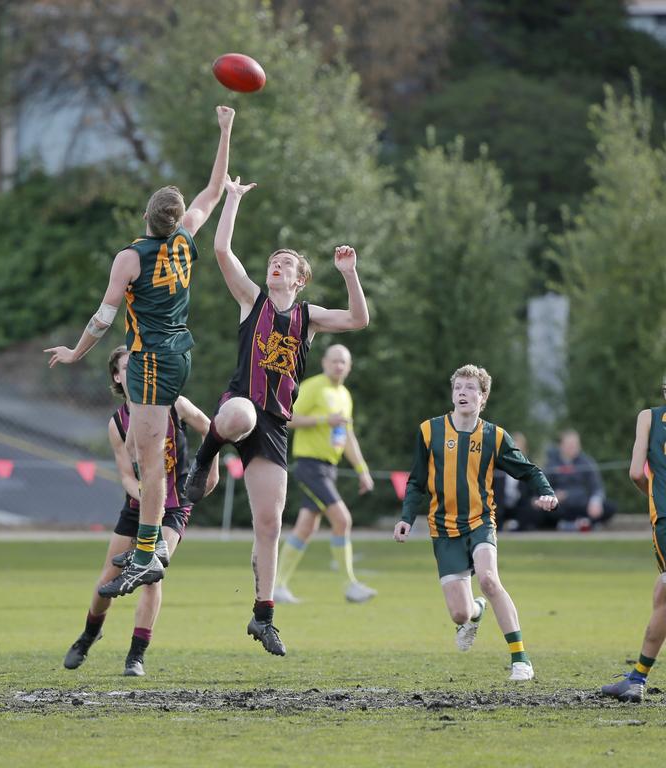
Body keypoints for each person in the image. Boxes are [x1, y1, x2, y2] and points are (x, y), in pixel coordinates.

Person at [46, 105, 235, 597]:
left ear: (145, 217)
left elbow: (103, 317)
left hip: (151, 360)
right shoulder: (185, 239)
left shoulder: (130, 257)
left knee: (150, 461)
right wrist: (226, 130)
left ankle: (147, 553)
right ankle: (149, 541)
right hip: (179, 353)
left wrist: (76, 352)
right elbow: (213, 191)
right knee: (138, 448)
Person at [182, 175, 369, 656]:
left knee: (269, 523)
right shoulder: (252, 300)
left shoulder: (308, 316)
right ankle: (204, 459)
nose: (276, 267)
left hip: (276, 427)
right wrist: (234, 200)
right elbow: (222, 251)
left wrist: (349, 273)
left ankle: (264, 617)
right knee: (240, 413)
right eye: (272, 263)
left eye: (284, 264)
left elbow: (358, 320)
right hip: (241, 406)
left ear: (300, 278)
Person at [393, 364, 559, 681]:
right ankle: (476, 612)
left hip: (480, 521)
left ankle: (520, 660)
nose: (462, 393)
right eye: (458, 388)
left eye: (470, 388)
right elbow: (416, 482)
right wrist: (405, 519)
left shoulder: (494, 436)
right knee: (459, 613)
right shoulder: (430, 431)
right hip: (443, 528)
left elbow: (528, 470)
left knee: (489, 579)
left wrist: (546, 492)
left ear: (482, 397)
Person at [63, 346, 219, 676]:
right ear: (118, 377)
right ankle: (89, 635)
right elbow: (126, 476)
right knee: (108, 578)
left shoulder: (174, 403)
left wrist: (210, 471)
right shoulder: (117, 423)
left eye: (138, 366)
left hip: (175, 506)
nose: (134, 372)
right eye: (126, 368)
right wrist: (148, 498)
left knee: (152, 573)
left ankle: (136, 655)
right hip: (137, 506)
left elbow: (211, 429)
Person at [275, 344, 376, 604]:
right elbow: (287, 417)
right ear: (324, 362)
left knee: (306, 527)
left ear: (350, 366)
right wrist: (322, 421)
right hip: (310, 465)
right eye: (334, 361)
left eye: (343, 362)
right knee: (342, 520)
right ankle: (350, 585)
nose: (339, 366)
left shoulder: (344, 395)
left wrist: (362, 470)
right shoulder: (313, 387)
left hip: (329, 468)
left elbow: (348, 435)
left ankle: (277, 586)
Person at [600, 377, 666, 703]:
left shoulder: (650, 417)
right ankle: (637, 678)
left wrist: (655, 497)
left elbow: (636, 473)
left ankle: (637, 679)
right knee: (663, 593)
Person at [545, 429, 616, 531]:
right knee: (543, 510)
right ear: (561, 445)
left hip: (583, 504)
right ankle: (583, 524)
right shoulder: (551, 464)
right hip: (562, 506)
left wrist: (595, 501)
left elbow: (597, 487)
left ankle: (574, 524)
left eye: (575, 444)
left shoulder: (587, 462)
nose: (573, 447)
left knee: (609, 507)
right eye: (569, 444)